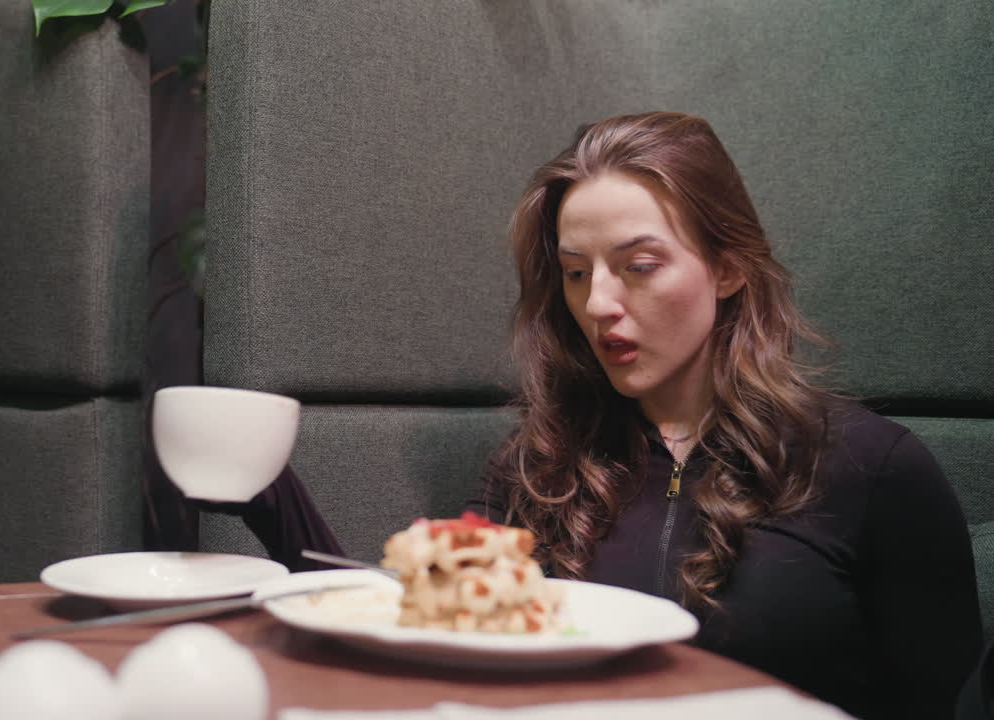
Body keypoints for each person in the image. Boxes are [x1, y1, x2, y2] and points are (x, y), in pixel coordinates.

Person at [200, 111, 983, 719]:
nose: (599, 303)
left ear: (729, 266)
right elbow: (423, 631)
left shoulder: (872, 469)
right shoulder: (540, 464)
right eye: (576, 273)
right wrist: (267, 490)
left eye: (639, 267)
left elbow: (936, 700)